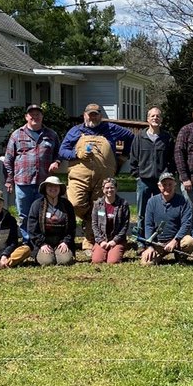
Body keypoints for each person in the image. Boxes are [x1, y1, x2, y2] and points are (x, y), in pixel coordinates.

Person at [59, 103, 134, 249]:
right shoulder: (75, 131)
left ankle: (90, 240)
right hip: (80, 176)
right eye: (90, 114)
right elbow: (62, 150)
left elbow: (130, 136)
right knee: (75, 203)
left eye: (96, 114)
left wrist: (123, 156)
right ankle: (89, 221)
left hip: (103, 178)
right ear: (84, 115)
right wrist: (76, 154)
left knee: (97, 206)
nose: (93, 117)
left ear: (101, 116)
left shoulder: (111, 128)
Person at [2, 103, 61, 223]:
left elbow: (59, 153)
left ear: (42, 116)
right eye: (32, 114)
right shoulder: (17, 134)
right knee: (24, 215)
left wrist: (57, 162)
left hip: (43, 183)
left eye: (38, 114)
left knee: (43, 214)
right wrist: (9, 179)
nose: (35, 117)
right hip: (23, 182)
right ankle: (26, 235)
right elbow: (8, 159)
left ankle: (39, 234)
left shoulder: (51, 134)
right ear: (26, 117)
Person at [130, 106, 175, 231]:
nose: (155, 118)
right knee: (142, 211)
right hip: (143, 180)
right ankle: (141, 237)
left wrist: (168, 174)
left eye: (158, 116)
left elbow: (172, 159)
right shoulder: (139, 137)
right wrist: (137, 175)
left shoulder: (167, 138)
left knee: (160, 210)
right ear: (148, 119)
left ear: (161, 119)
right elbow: (133, 158)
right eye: (152, 116)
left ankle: (158, 236)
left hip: (161, 181)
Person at [140, 172, 193, 266]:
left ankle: (180, 257)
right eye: (164, 184)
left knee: (190, 241)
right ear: (159, 186)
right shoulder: (152, 202)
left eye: (170, 184)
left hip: (177, 241)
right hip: (158, 243)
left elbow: (186, 224)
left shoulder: (183, 201)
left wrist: (175, 240)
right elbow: (148, 225)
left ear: (175, 185)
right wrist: (149, 246)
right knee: (146, 263)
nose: (167, 187)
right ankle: (156, 254)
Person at [25, 176, 77, 266]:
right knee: (47, 262)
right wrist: (41, 244)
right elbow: (32, 228)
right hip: (44, 242)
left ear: (60, 189)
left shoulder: (67, 205)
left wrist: (65, 242)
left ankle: (60, 252)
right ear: (45, 189)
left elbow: (72, 227)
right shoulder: (37, 204)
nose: (53, 188)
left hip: (61, 241)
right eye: (50, 186)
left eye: (56, 186)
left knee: (65, 261)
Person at [90, 177, 131, 265]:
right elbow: (94, 224)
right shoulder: (97, 204)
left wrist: (115, 241)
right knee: (97, 261)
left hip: (117, 239)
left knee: (113, 261)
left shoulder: (123, 204)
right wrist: (101, 241)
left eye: (112, 187)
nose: (109, 190)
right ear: (103, 189)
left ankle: (116, 250)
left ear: (116, 189)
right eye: (107, 188)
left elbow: (125, 225)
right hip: (102, 238)